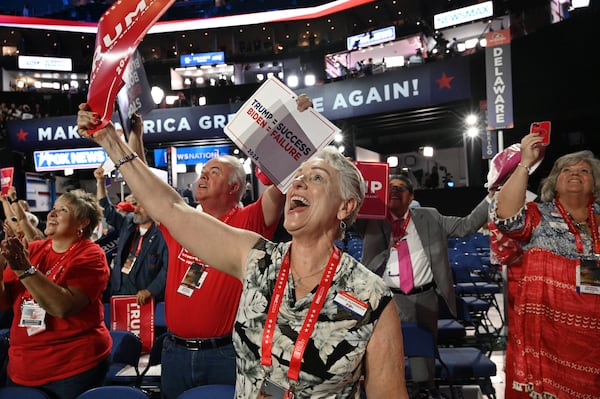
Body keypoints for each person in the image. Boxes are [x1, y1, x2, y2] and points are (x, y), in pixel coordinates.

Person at [78, 105, 409, 399]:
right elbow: (170, 207)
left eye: (317, 178)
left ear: (346, 206)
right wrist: (111, 139)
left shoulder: (372, 297)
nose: (298, 184)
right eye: (298, 177)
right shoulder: (258, 259)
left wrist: (300, 124)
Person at [95, 96, 310, 399]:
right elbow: (148, 187)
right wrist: (136, 139)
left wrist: (298, 124)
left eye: (214, 172)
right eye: (203, 171)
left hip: (224, 354)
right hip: (174, 351)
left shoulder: (249, 220)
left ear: (235, 187)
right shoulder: (182, 221)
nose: (203, 176)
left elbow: (282, 178)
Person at [358, 174, 491, 398]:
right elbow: (345, 215)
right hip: (387, 300)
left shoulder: (430, 217)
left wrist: (491, 198)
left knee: (423, 360)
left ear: (411, 197)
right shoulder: (373, 220)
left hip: (424, 296)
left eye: (401, 188)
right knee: (386, 355)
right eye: (390, 188)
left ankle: (423, 392)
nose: (395, 191)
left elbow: (466, 226)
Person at [491, 135, 600, 399]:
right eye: (567, 170)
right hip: (548, 333)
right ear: (555, 182)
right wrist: (525, 164)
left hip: (593, 335)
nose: (575, 174)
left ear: (594, 182)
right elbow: (506, 218)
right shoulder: (538, 214)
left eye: (584, 170)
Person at [0, 189, 111, 399]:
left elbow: (62, 307)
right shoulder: (33, 249)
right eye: (53, 208)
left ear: (83, 223)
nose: (52, 213)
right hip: (21, 368)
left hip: (71, 369)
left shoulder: (91, 255)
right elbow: (3, 302)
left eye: (63, 210)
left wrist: (24, 270)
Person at [94, 166, 168, 305]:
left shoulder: (164, 234)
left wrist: (150, 290)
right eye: (137, 204)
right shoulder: (129, 223)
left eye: (142, 206)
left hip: (145, 297)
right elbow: (106, 209)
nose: (137, 209)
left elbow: (167, 269)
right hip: (120, 291)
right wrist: (100, 182)